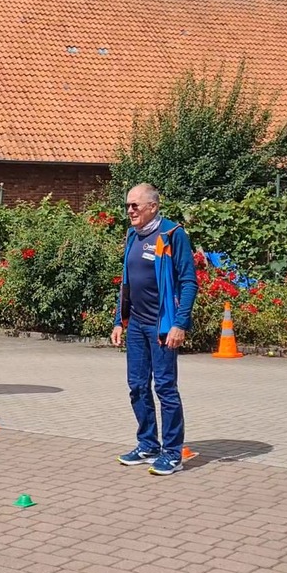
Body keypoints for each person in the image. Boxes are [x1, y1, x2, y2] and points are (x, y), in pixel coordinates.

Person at [111, 183, 198, 476]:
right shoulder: (132, 236)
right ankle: (148, 444)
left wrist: (179, 323)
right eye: (127, 206)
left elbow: (188, 282)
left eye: (135, 205)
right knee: (136, 386)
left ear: (153, 207)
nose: (130, 210)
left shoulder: (173, 235)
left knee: (165, 388)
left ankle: (172, 452)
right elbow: (125, 281)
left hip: (162, 325)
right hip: (135, 324)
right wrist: (118, 320)